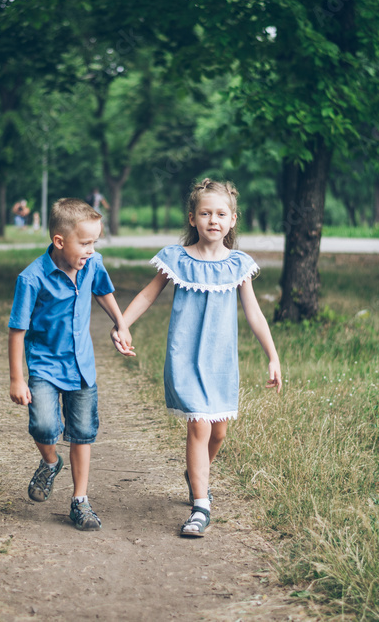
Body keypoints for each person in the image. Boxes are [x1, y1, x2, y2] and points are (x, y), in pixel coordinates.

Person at [114, 179, 282, 538]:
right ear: (192, 218)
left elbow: (253, 313)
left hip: (221, 363)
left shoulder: (239, 264)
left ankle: (195, 474)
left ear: (233, 220)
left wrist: (273, 356)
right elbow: (147, 295)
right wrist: (122, 324)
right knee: (199, 426)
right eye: (205, 213)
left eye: (221, 214)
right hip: (186, 358)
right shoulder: (176, 259)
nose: (213, 220)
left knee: (218, 432)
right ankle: (200, 505)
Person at [8, 198, 134, 531]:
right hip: (45, 367)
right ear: (59, 241)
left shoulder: (92, 264)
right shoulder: (32, 278)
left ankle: (80, 501)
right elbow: (17, 331)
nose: (91, 250)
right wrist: (17, 379)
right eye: (85, 242)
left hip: (82, 367)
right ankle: (50, 461)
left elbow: (103, 292)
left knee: (82, 434)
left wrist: (120, 323)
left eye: (95, 242)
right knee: (45, 427)